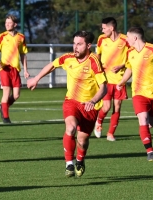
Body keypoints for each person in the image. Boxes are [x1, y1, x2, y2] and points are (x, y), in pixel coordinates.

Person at [27, 31, 107, 177]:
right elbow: (52, 65)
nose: (75, 47)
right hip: (72, 101)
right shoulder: (68, 58)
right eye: (74, 43)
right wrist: (36, 79)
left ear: (88, 46)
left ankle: (80, 160)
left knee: (82, 141)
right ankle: (69, 164)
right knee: (70, 128)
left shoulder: (94, 61)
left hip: (90, 106)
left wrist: (93, 100)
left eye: (79, 44)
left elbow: (104, 87)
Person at [117, 27, 153, 161]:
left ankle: (146, 138)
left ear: (135, 38)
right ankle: (150, 152)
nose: (126, 40)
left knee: (149, 125)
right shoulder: (130, 52)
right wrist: (122, 82)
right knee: (143, 120)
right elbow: (129, 68)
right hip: (138, 92)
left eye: (128, 38)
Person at [94, 17, 129, 141]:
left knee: (118, 106)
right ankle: (98, 122)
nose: (102, 30)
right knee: (106, 107)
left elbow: (132, 57)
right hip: (106, 79)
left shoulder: (125, 40)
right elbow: (97, 55)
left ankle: (110, 134)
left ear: (111, 28)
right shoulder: (101, 39)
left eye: (104, 28)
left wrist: (122, 65)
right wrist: (97, 68)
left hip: (120, 79)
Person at [0, 15, 29, 124]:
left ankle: (3, 107)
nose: (7, 24)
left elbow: (23, 54)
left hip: (15, 69)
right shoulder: (1, 36)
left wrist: (26, 70)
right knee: (6, 93)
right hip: (4, 68)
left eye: (9, 23)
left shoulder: (21, 37)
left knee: (16, 95)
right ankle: (6, 118)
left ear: (15, 24)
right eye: (6, 23)